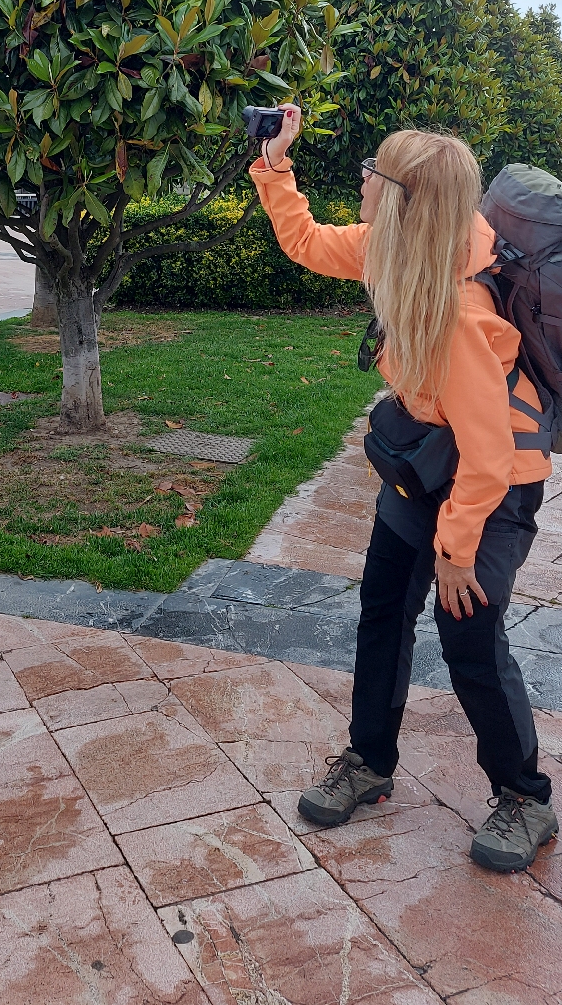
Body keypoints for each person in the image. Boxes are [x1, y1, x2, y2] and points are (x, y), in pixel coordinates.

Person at [251, 108, 558, 872]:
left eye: (372, 172)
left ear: (402, 197)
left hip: (495, 483)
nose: (361, 179)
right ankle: (369, 761)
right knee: (383, 609)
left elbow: (487, 458)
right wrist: (273, 165)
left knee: (468, 638)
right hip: (428, 459)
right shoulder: (390, 250)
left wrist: (456, 551)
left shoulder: (459, 313)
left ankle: (524, 798)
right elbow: (306, 241)